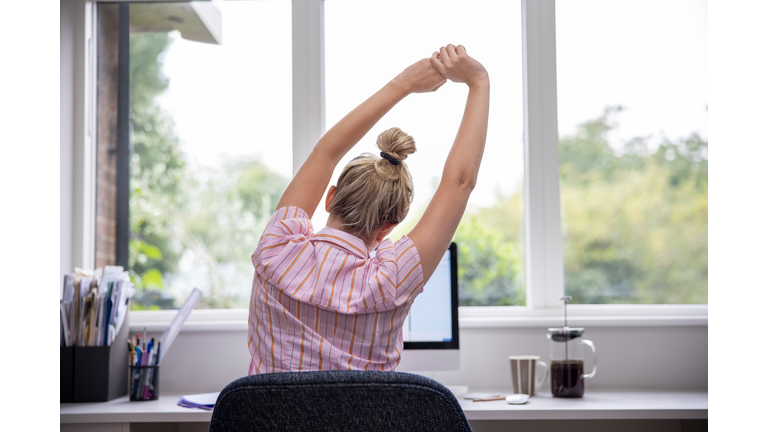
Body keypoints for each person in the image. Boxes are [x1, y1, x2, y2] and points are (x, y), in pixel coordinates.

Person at [247, 44, 489, 374]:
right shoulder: (392, 279)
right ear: (389, 226)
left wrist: (403, 84)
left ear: (329, 197)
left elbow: (325, 153)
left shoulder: (278, 247)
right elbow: (460, 183)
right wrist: (479, 82)